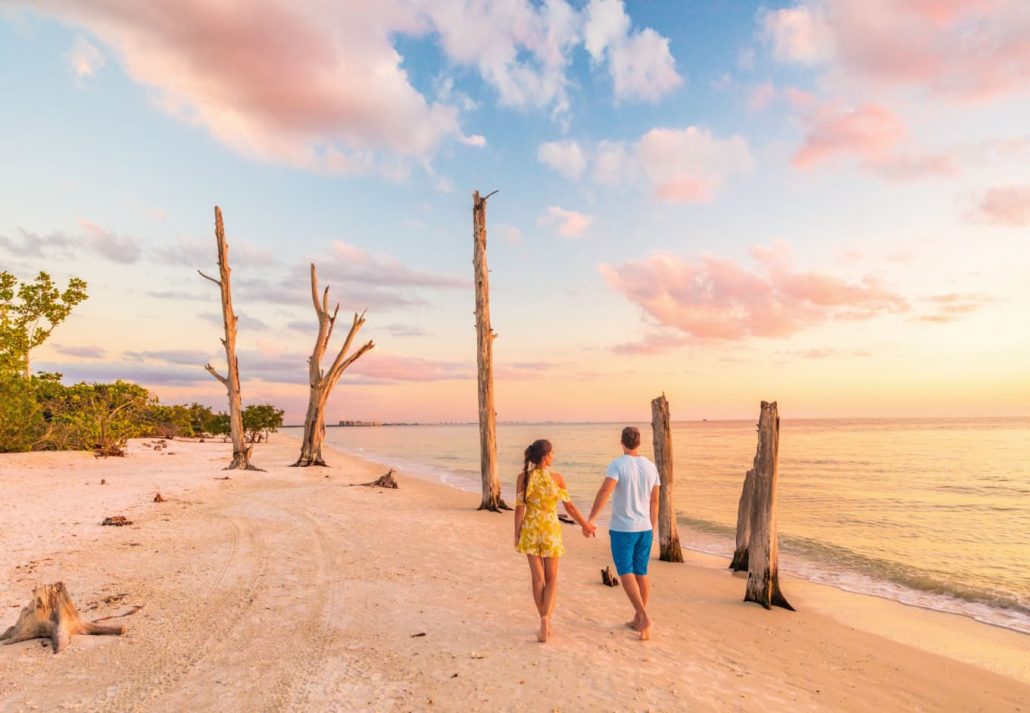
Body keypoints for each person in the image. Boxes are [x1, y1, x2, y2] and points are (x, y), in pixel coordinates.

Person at [513, 438, 593, 643]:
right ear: (546, 456)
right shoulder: (557, 478)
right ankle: (546, 620)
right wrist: (585, 524)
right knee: (552, 579)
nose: (554, 456)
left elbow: (519, 509)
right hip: (550, 530)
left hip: (531, 529)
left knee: (537, 579)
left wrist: (517, 534)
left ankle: (543, 620)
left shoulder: (523, 477)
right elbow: (570, 507)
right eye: (552, 452)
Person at [585, 426, 660, 640]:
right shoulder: (651, 467)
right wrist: (652, 527)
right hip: (644, 527)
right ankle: (638, 618)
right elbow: (655, 500)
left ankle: (643, 616)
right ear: (639, 442)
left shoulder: (617, 464)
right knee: (641, 572)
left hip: (623, 528)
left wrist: (591, 519)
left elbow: (605, 491)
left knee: (626, 570)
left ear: (622, 442)